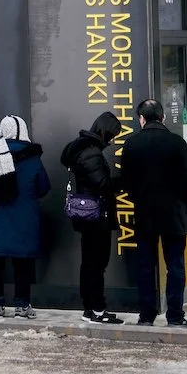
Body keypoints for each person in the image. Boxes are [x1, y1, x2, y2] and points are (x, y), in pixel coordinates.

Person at [120, 98, 187, 328]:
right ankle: (174, 315)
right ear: (162, 117)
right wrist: (180, 202)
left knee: (145, 265)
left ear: (141, 118)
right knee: (175, 266)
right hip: (173, 213)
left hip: (144, 212)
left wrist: (138, 199)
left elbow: (127, 182)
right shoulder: (177, 143)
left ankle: (146, 315)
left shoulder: (131, 144)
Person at [0, 115, 50, 319]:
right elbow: (43, 187)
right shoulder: (32, 156)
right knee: (22, 262)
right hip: (23, 217)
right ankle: (22, 305)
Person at [60, 111, 124, 324]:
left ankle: (91, 307)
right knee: (96, 264)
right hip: (97, 217)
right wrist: (122, 180)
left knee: (90, 263)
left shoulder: (84, 149)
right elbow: (102, 184)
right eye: (113, 134)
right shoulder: (92, 153)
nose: (113, 139)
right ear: (105, 131)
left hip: (88, 216)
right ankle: (96, 308)